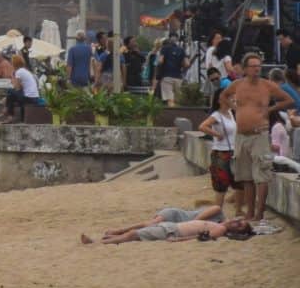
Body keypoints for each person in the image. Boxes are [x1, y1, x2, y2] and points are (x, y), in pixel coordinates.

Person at [218, 51, 294, 226]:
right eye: (253, 66)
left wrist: (270, 109)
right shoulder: (237, 84)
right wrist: (233, 107)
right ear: (245, 68)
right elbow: (223, 95)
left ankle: (260, 212)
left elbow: (288, 100)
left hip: (260, 133)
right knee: (246, 176)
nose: (256, 69)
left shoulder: (267, 85)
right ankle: (250, 211)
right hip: (241, 135)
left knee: (261, 175)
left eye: (258, 66)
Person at [82, 216, 253, 245]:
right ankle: (104, 239)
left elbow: (201, 237)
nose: (236, 221)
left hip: (173, 232)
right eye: (239, 221)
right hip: (172, 228)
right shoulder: (222, 224)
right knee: (136, 232)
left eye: (239, 225)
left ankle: (98, 242)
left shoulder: (220, 229)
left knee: (134, 235)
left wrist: (178, 240)